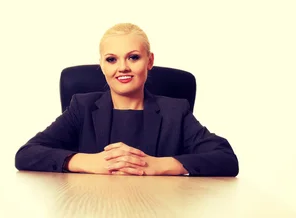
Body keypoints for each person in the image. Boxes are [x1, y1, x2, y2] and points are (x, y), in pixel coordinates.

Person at [15, 23, 239, 176]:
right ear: (101, 65)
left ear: (149, 61)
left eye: (133, 57)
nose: (122, 67)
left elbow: (226, 158)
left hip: (158, 208)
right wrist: (89, 162)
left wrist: (158, 165)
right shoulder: (81, 107)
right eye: (111, 59)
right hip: (93, 207)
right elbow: (27, 154)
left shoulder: (175, 111)